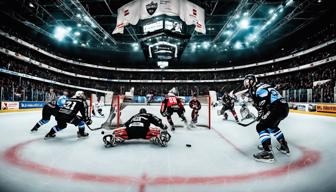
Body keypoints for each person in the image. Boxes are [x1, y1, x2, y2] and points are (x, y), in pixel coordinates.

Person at [243, 74, 290, 163]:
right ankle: (284, 146)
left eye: (247, 82)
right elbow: (266, 101)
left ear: (252, 81)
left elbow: (263, 102)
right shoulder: (262, 85)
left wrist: (261, 114)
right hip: (284, 107)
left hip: (276, 108)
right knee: (272, 127)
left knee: (260, 126)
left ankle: (267, 152)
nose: (246, 84)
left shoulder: (257, 89)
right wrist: (262, 113)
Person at [103, 108, 170, 147]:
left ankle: (115, 137)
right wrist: (163, 126)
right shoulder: (149, 115)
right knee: (157, 130)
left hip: (130, 131)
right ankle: (157, 137)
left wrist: (116, 130)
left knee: (124, 131)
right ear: (145, 112)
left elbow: (125, 125)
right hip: (144, 132)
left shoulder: (134, 116)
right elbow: (157, 121)